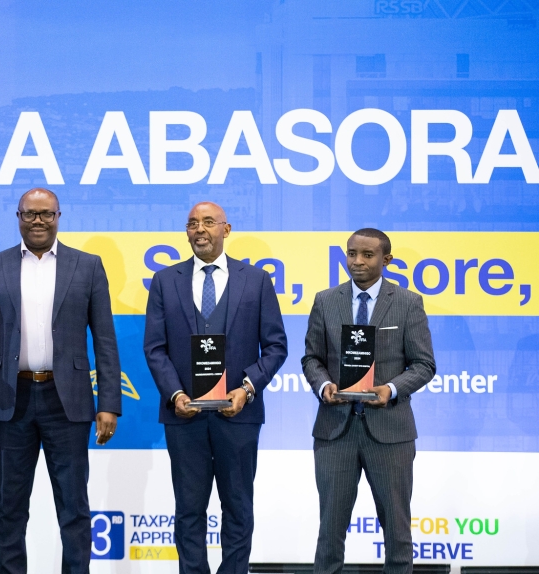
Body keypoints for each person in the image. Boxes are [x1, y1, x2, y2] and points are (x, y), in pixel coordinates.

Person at [0, 187, 122, 574]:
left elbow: (104, 339)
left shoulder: (87, 266)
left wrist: (109, 404)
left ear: (58, 217)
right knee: (10, 506)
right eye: (30, 214)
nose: (38, 221)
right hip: (8, 400)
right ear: (17, 217)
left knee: (74, 506)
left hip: (66, 401)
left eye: (46, 214)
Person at [143, 201, 287, 574]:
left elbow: (275, 346)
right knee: (188, 509)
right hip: (184, 417)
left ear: (227, 229)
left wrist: (247, 389)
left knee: (238, 508)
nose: (199, 230)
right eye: (192, 223)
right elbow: (155, 348)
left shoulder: (255, 280)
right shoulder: (165, 280)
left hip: (239, 416)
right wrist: (175, 394)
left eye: (208, 222)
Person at [303, 228, 435, 574]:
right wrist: (323, 385)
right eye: (351, 254)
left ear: (386, 260)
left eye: (367, 255)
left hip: (390, 431)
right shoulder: (325, 300)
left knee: (397, 530)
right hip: (335, 430)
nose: (357, 261)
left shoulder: (407, 302)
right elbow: (311, 359)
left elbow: (424, 364)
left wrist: (389, 389)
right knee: (329, 531)